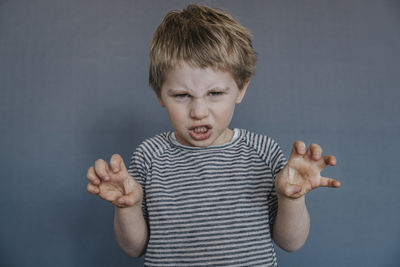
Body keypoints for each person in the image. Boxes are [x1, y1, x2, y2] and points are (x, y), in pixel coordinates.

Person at [86, 4, 341, 266]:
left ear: (241, 89)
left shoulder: (263, 153)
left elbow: (292, 242)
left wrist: (291, 198)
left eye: (215, 94)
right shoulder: (149, 156)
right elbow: (134, 248)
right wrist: (126, 207)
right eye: (182, 95)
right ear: (159, 95)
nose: (198, 111)